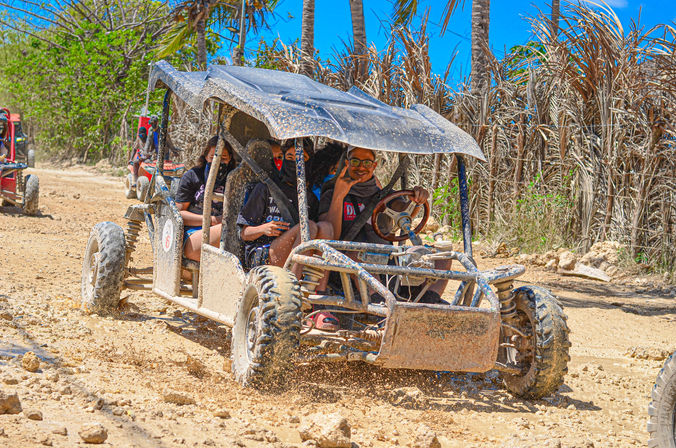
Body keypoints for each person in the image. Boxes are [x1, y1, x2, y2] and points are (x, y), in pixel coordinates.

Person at [319, 146, 450, 304]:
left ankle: (430, 302)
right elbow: (330, 233)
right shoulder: (330, 194)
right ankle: (380, 304)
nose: (361, 167)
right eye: (355, 162)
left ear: (374, 166)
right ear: (347, 164)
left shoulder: (386, 195)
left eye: (367, 163)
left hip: (387, 259)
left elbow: (403, 211)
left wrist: (416, 200)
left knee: (443, 257)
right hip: (348, 264)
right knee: (357, 257)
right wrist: (339, 194)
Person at [237, 140, 333, 271]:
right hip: (263, 254)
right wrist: (264, 229)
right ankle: (293, 280)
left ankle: (317, 288)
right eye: (290, 157)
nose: (295, 162)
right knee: (308, 226)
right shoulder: (265, 188)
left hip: (293, 254)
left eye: (301, 158)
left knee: (325, 227)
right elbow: (244, 234)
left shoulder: (310, 198)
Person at [176, 136, 236, 262]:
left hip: (225, 235)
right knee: (229, 228)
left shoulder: (235, 180)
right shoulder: (193, 176)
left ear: (230, 158)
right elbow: (178, 214)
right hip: (194, 233)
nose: (218, 162)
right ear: (205, 156)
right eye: (213, 157)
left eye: (223, 158)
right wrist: (211, 220)